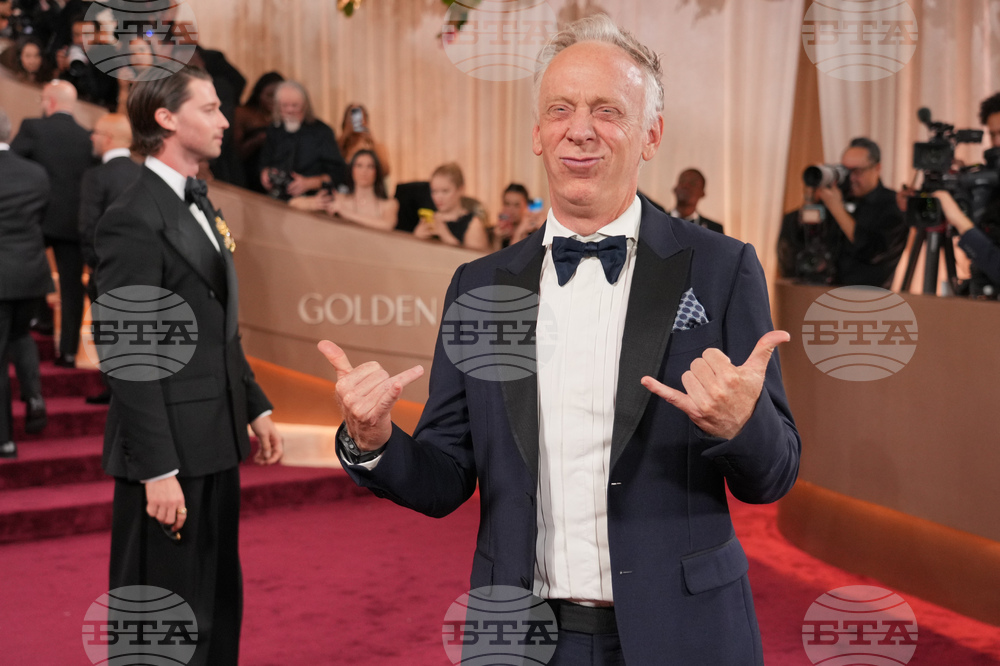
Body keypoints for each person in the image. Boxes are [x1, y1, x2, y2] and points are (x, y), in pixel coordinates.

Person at [321, 15, 799, 665]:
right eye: (561, 109)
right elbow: (444, 476)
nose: (581, 129)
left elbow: (773, 476)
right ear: (539, 135)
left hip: (683, 632)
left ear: (650, 134)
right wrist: (373, 442)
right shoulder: (477, 286)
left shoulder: (722, 268)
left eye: (608, 110)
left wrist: (743, 425)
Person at [95, 66, 283, 665]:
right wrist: (155, 470)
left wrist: (254, 403)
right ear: (167, 119)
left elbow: (216, 319)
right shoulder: (132, 213)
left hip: (216, 435)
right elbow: (127, 354)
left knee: (212, 604)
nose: (225, 120)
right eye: (209, 108)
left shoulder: (200, 199)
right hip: (169, 449)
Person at [11, 79, 94, 368]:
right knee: (72, 288)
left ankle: (35, 320)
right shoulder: (88, 137)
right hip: (74, 223)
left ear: (51, 102)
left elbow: (11, 165)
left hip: (38, 218)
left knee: (25, 268)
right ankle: (68, 352)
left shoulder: (33, 128)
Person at [779, 138, 907, 288]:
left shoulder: (892, 204)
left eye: (857, 172)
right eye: (844, 170)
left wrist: (837, 209)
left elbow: (874, 251)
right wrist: (810, 201)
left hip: (867, 300)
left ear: (877, 168)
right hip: (821, 294)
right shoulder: (837, 197)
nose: (850, 178)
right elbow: (802, 237)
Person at [0, 107, 53, 459]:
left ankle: (4, 438)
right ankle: (33, 396)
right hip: (33, 274)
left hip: (2, 279)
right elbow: (42, 218)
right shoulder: (36, 173)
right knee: (20, 336)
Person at [78, 112, 140, 404]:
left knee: (107, 331)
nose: (92, 137)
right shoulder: (146, 173)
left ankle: (114, 389)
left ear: (109, 138)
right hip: (142, 269)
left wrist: (93, 263)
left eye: (97, 132)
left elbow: (88, 226)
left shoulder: (96, 176)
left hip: (106, 269)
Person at [258, 80, 346, 199]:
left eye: (295, 105)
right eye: (284, 106)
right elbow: (264, 162)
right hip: (278, 199)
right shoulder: (274, 130)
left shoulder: (322, 132)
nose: (290, 110)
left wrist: (309, 183)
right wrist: (265, 174)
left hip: (312, 200)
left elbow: (340, 173)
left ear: (305, 106)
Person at [412, 162, 490, 251]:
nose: (438, 198)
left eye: (445, 191)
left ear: (460, 189)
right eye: (434, 191)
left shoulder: (473, 224)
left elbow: (478, 262)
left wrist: (446, 235)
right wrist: (416, 238)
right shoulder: (430, 219)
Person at [233, 71, 283, 194]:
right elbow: (234, 153)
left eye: (278, 96)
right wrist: (256, 141)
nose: (274, 100)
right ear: (259, 94)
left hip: (275, 175)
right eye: (269, 95)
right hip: (247, 174)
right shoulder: (243, 113)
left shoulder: (285, 116)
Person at [324, 149, 398, 230]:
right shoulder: (339, 199)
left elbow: (387, 225)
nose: (364, 171)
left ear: (376, 172)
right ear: (352, 170)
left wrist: (346, 213)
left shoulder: (389, 204)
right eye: (359, 165)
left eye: (370, 166)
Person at [338, 102, 391, 176]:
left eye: (359, 117)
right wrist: (345, 136)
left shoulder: (375, 147)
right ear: (345, 121)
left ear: (365, 120)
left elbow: (385, 171)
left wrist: (372, 141)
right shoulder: (337, 144)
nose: (355, 121)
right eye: (352, 117)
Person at [670, 168, 724, 234]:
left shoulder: (714, 229)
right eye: (682, 181)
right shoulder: (659, 221)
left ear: (702, 193)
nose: (686, 186)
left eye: (693, 183)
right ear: (675, 189)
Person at [493, 183, 545, 250]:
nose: (511, 210)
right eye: (507, 204)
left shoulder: (533, 232)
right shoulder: (499, 232)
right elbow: (495, 258)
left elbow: (514, 258)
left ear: (526, 206)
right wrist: (497, 240)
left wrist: (519, 233)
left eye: (516, 205)